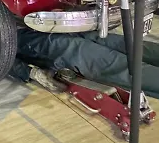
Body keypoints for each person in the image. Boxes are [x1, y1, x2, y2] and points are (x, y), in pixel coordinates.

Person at [8, 27, 159, 99]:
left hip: (56, 29)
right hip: (34, 37)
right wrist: (29, 72)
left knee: (120, 54)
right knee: (115, 57)